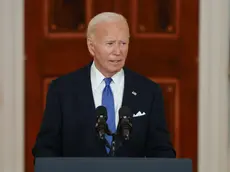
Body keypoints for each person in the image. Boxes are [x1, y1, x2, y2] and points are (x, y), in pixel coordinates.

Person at [32, 12, 176, 158]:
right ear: (91, 46)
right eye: (110, 43)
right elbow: (46, 149)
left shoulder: (149, 91)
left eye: (123, 43)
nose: (118, 52)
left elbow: (162, 151)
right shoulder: (62, 90)